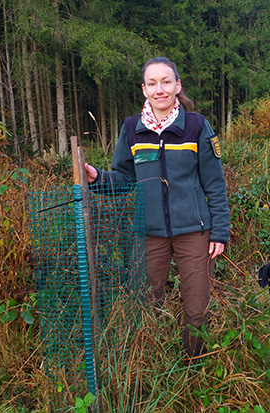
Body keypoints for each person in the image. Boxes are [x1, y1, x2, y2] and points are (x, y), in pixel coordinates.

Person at [83, 56, 230, 358]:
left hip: (195, 231)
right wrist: (98, 178)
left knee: (196, 305)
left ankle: (194, 365)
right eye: (152, 83)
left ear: (178, 86)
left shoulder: (196, 126)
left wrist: (220, 231)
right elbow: (124, 178)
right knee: (146, 301)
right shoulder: (132, 129)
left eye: (166, 82)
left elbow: (214, 183)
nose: (159, 89)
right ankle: (153, 365)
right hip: (149, 233)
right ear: (144, 89)